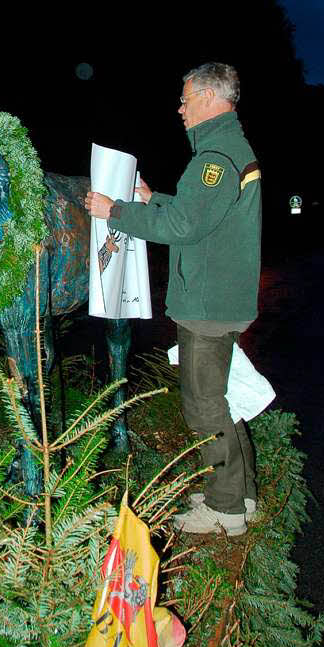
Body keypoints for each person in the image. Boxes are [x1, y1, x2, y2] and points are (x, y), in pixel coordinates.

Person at [85, 63, 261, 536]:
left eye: (185, 99)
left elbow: (183, 227)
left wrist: (116, 211)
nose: (179, 108)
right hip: (218, 299)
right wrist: (151, 199)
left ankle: (226, 512)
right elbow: (198, 215)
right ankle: (242, 495)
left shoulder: (215, 158)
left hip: (208, 306)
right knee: (218, 401)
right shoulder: (224, 152)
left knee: (204, 406)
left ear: (208, 98)